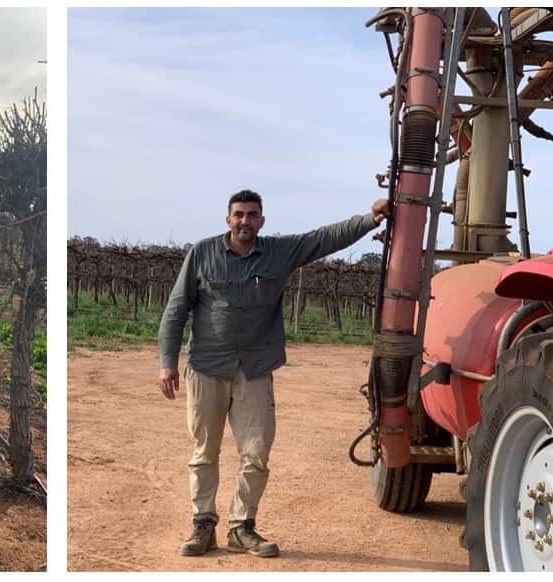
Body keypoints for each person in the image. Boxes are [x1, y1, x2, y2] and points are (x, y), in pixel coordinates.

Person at [159, 190, 389, 558]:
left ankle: (241, 527)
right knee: (205, 450)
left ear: (262, 221)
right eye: (238, 214)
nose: (245, 221)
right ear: (228, 219)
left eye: (252, 215)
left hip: (254, 369)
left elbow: (323, 239)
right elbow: (176, 309)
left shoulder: (279, 253)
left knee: (256, 451)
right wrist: (167, 361)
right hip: (207, 367)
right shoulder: (202, 254)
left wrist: (369, 219)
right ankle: (203, 524)